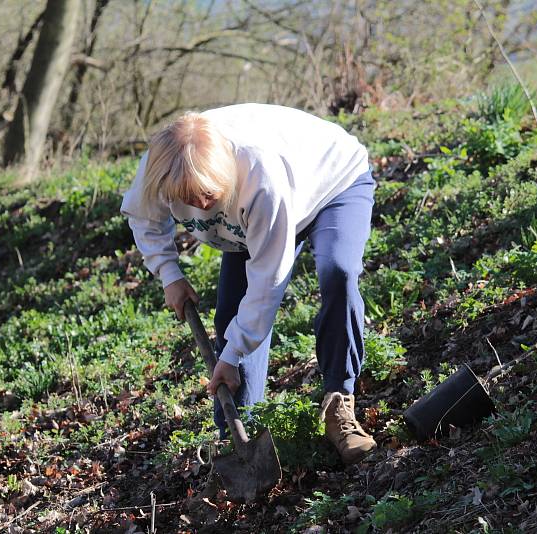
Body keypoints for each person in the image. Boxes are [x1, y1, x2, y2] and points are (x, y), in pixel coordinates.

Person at [120, 103, 377, 464]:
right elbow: (144, 219)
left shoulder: (260, 178)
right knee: (230, 320)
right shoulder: (163, 166)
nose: (201, 205)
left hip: (332, 184)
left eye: (209, 195)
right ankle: (240, 438)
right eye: (189, 200)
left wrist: (232, 353)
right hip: (246, 225)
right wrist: (170, 275)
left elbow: (266, 286)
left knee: (339, 273)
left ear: (223, 172)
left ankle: (340, 404)